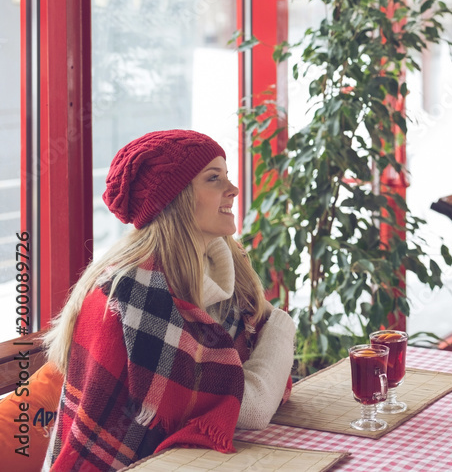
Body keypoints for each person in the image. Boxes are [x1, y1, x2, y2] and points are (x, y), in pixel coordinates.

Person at [43, 130, 296, 471]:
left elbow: (255, 388)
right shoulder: (136, 289)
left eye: (227, 176)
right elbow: (250, 406)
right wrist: (281, 326)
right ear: (175, 199)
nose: (233, 190)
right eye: (214, 178)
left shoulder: (219, 267)